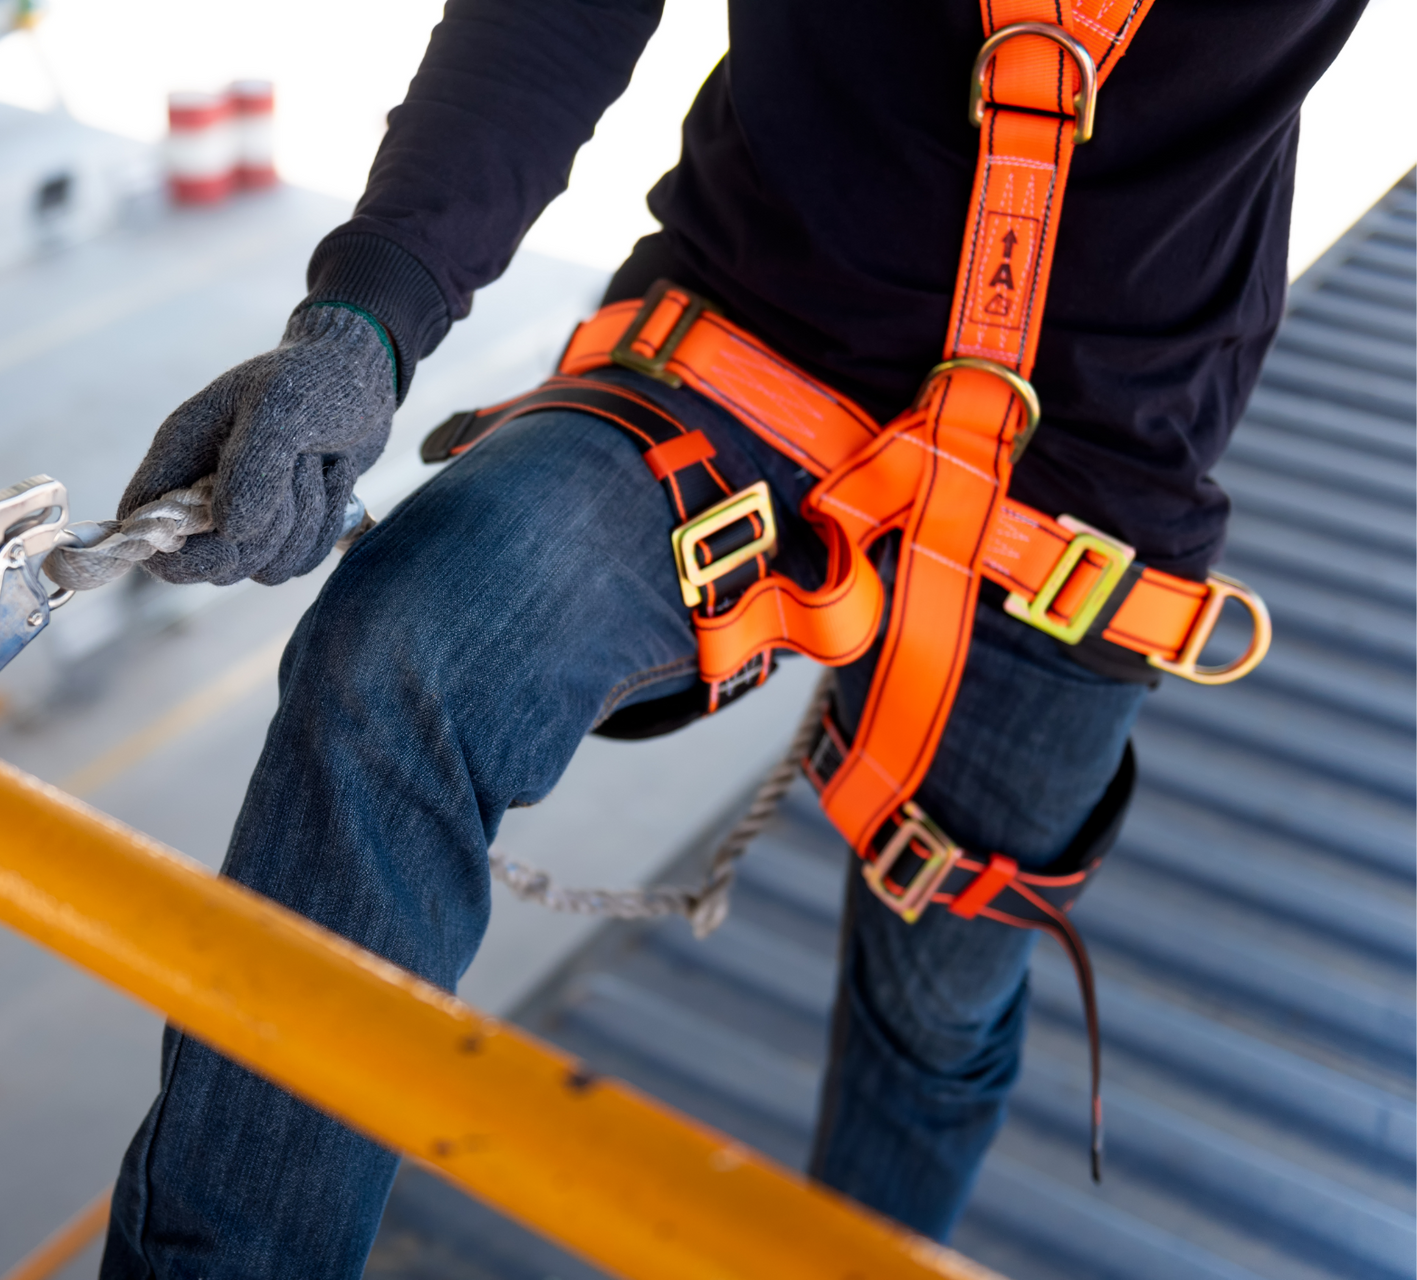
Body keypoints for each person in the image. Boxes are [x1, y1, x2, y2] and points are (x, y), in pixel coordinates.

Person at [93, 2, 1365, 1275]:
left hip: (1085, 487)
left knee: (936, 1006)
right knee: (402, 656)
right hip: (747, 347)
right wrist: (364, 319)